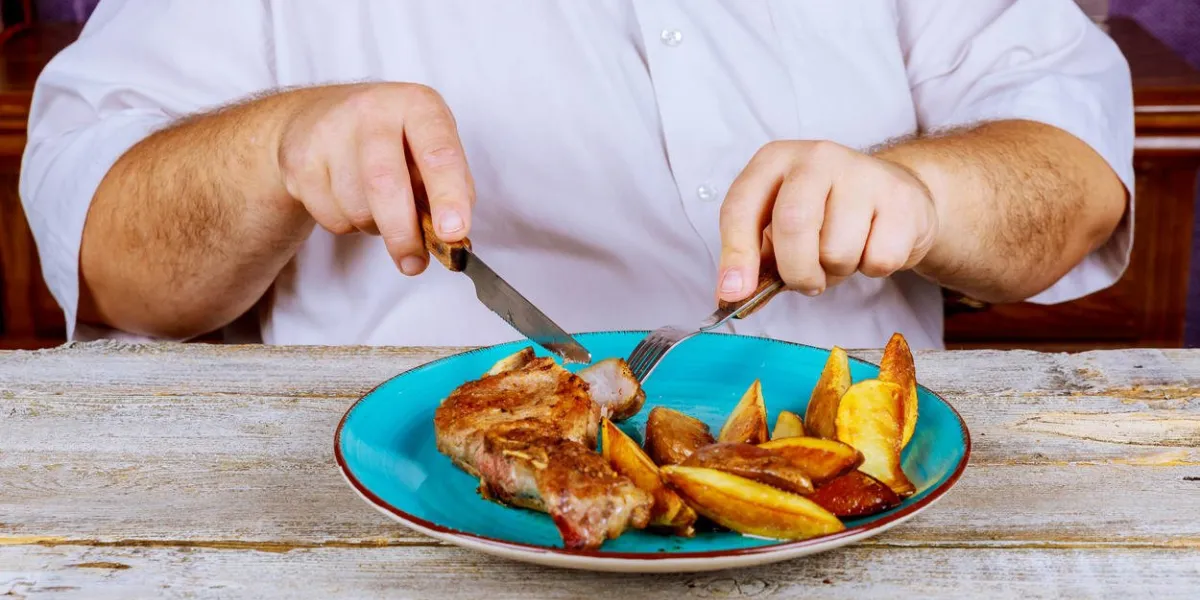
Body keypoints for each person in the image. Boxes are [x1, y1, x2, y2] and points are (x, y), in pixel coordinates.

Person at [20, 0, 1133, 351]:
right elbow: (110, 261)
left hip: (847, 517)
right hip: (392, 532)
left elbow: (1072, 172)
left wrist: (931, 196)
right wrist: (268, 152)